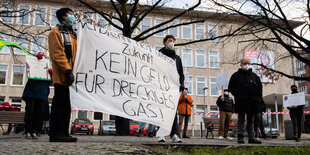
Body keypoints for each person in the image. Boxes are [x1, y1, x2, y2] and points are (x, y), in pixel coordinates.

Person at [48, 8, 77, 142]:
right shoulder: (55, 33)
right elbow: (58, 55)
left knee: (67, 106)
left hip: (71, 74)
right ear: (63, 17)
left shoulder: (73, 34)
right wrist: (67, 70)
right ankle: (55, 133)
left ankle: (64, 133)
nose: (73, 16)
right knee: (59, 104)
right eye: (70, 14)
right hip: (62, 75)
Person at [157, 35, 185, 143]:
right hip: (162, 86)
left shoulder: (177, 58)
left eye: (173, 41)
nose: (172, 42)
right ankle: (161, 134)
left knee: (173, 111)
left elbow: (181, 73)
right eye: (169, 41)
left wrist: (182, 84)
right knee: (162, 110)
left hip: (174, 88)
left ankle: (174, 134)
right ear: (164, 43)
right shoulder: (158, 55)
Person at [228, 58, 262, 144]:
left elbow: (260, 89)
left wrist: (257, 99)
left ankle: (251, 137)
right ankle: (240, 137)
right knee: (241, 119)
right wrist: (238, 94)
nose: (246, 64)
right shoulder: (235, 76)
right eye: (244, 63)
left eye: (248, 63)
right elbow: (231, 87)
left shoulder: (255, 77)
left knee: (251, 121)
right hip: (241, 101)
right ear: (241, 64)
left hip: (252, 103)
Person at [22, 52, 51, 139]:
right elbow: (29, 73)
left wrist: (50, 74)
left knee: (39, 114)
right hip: (32, 93)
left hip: (41, 94)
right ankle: (27, 131)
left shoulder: (47, 69)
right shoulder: (32, 67)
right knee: (30, 113)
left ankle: (34, 131)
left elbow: (50, 82)